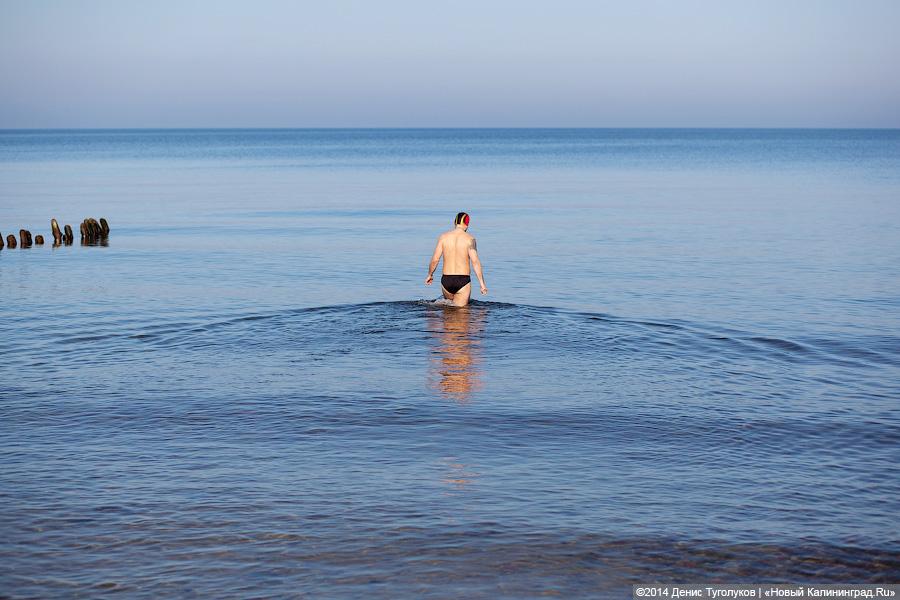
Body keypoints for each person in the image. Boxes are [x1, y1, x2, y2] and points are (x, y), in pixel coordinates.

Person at [425, 212, 488, 307]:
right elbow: (475, 262)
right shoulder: (470, 239)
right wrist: (482, 284)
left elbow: (435, 259)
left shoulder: (443, 237)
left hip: (446, 280)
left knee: (448, 313)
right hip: (462, 280)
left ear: (455, 222)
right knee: (462, 315)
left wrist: (430, 274)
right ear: (467, 224)